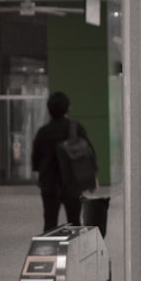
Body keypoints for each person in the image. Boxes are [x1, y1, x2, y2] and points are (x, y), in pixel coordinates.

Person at [31, 91, 95, 233]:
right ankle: (75, 254)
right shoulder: (75, 128)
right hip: (73, 183)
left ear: (49, 110)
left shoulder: (43, 132)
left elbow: (35, 160)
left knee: (49, 223)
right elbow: (89, 153)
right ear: (68, 108)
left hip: (49, 185)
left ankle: (49, 254)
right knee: (75, 222)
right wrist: (92, 178)